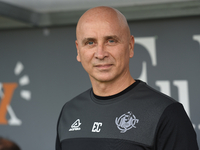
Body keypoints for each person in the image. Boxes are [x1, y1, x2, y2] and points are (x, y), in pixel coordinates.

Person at [56, 6, 199, 150]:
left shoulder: (167, 114)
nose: (100, 54)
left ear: (130, 46)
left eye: (111, 41)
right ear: (78, 50)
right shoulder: (69, 111)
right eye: (90, 43)